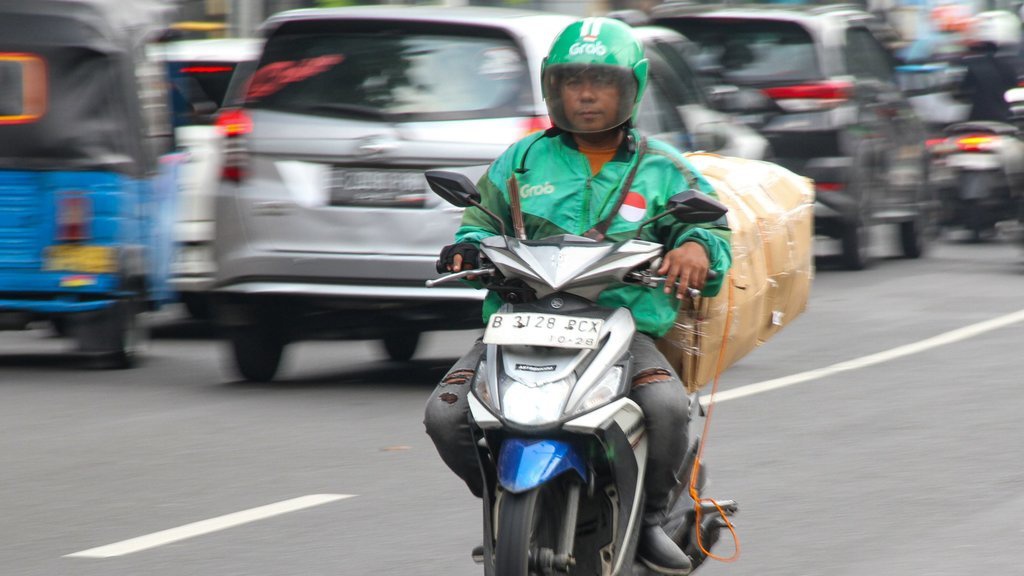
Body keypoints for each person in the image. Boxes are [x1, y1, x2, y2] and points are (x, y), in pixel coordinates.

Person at [423, 17, 732, 575]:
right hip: (522, 322)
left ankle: (652, 520)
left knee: (664, 408)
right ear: (553, 88)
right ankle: (504, 502)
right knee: (444, 416)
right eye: (572, 82)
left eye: (601, 82)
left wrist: (697, 250)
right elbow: (477, 223)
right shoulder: (521, 161)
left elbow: (710, 231)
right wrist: (467, 250)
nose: (586, 94)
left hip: (622, 329)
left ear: (629, 89)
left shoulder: (662, 167)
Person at [956, 20, 1019, 122]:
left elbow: (963, 90)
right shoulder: (1007, 67)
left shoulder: (974, 67)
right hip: (1003, 116)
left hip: (978, 117)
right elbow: (1013, 86)